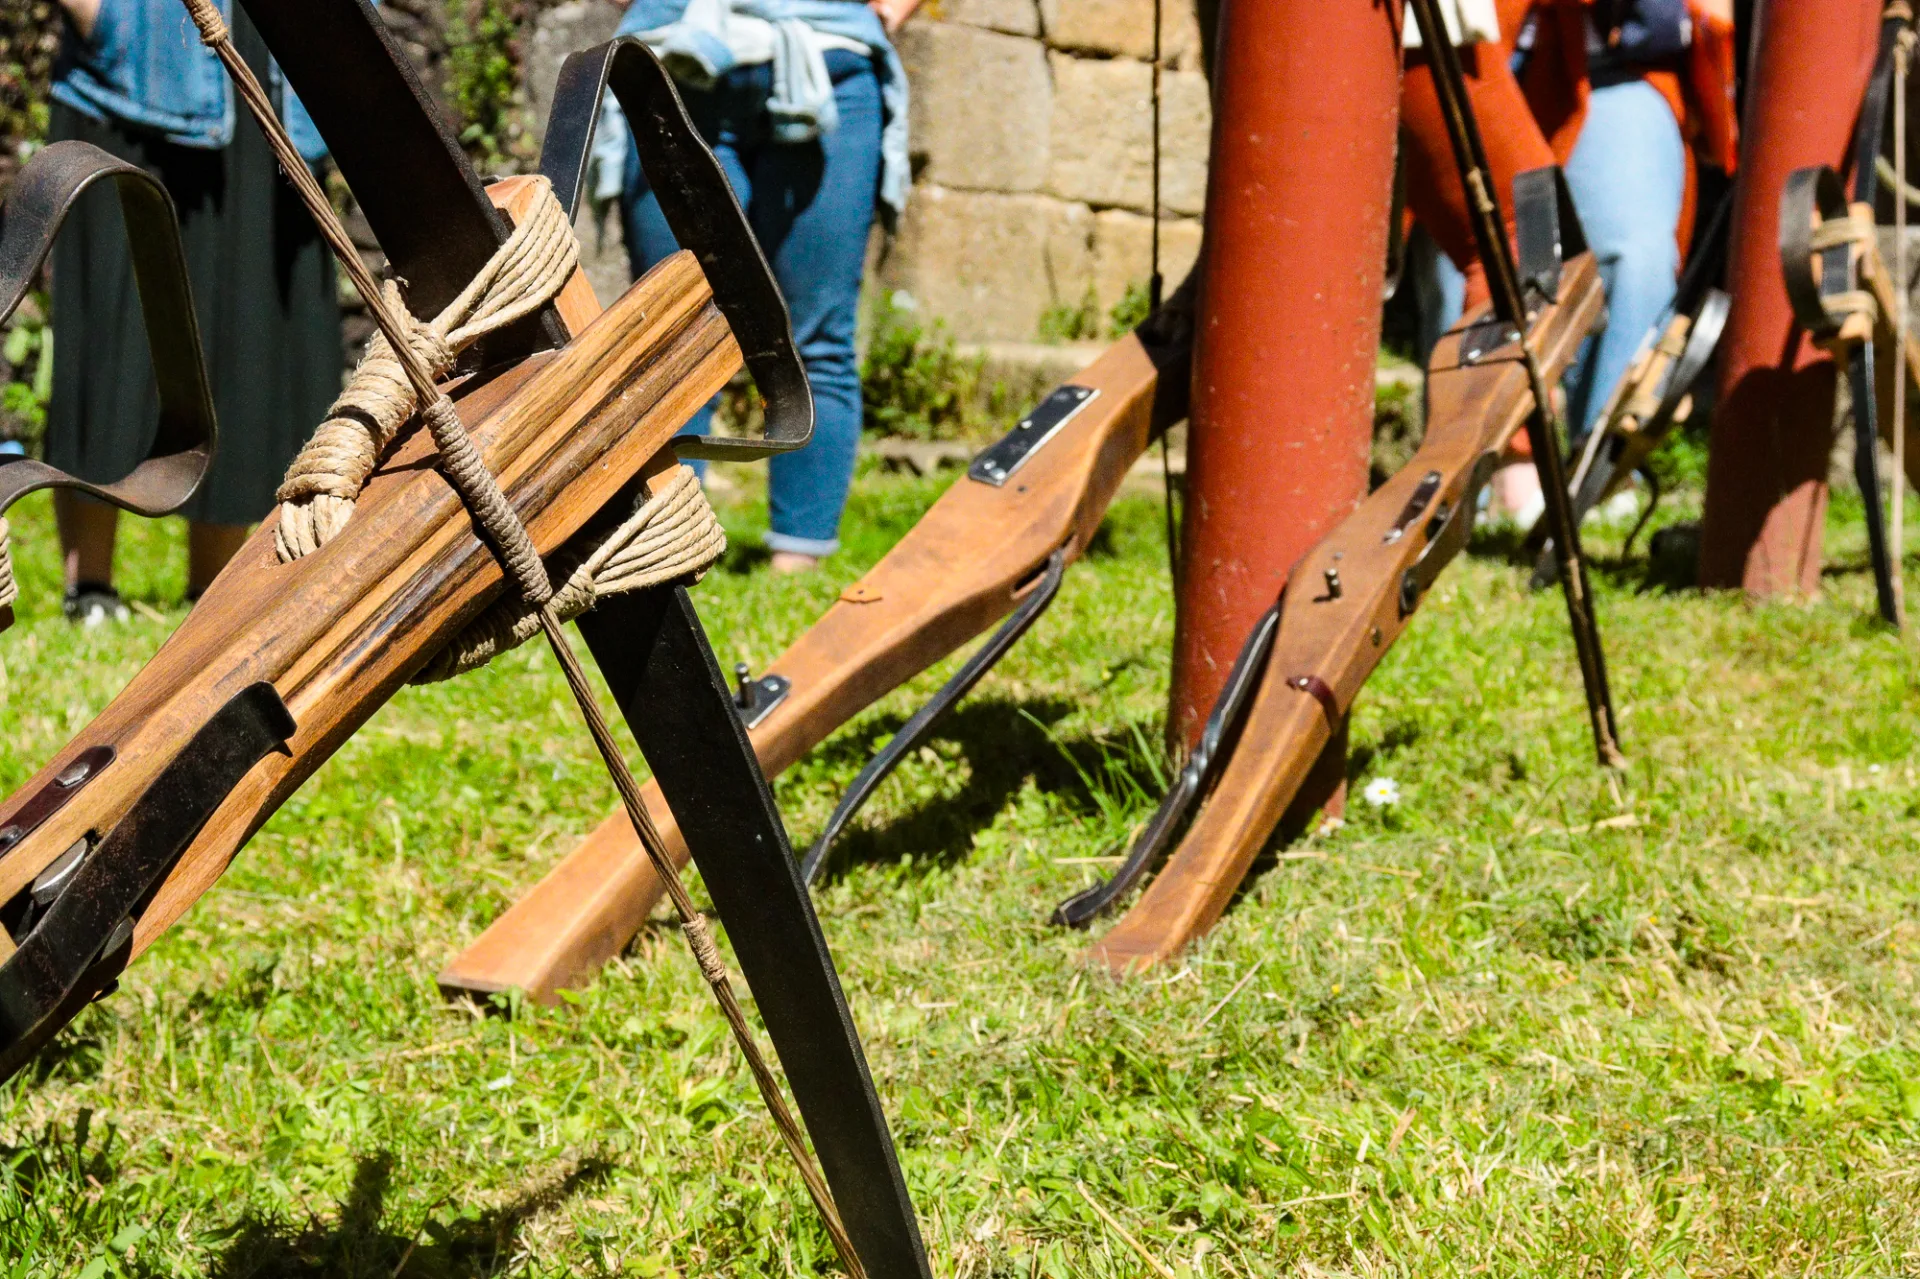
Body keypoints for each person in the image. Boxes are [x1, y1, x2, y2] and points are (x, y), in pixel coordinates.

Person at [48, 0, 340, 622]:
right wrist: (100, 19)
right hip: (138, 59)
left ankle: (216, 590)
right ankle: (90, 587)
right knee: (114, 330)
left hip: (276, 74)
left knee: (250, 327)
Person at [1401, 0, 1737, 525]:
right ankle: (1488, 461)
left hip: (1606, 52)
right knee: (1473, 257)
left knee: (1636, 253)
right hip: (1465, 41)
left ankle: (1599, 461)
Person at [610, 0, 917, 573]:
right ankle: (669, 557)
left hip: (832, 67)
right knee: (674, 335)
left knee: (816, 336)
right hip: (675, 60)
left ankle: (798, 564)